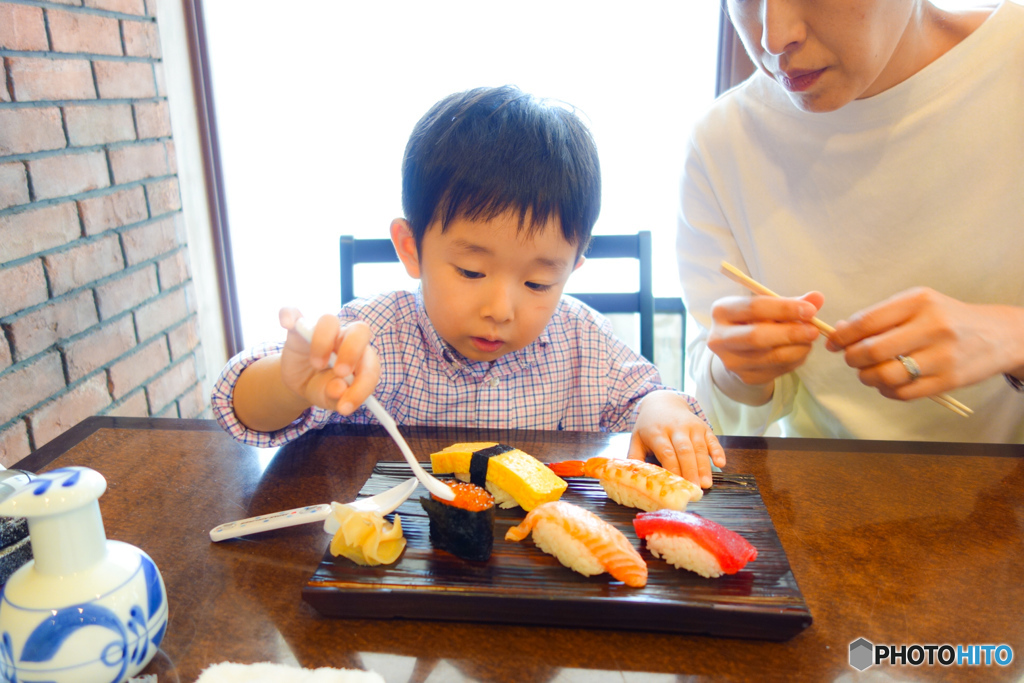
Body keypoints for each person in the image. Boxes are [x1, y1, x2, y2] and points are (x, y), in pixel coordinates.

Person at [213, 86, 725, 486]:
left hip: (538, 574)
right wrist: (289, 381)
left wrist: (662, 407)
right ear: (411, 248)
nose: (501, 308)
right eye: (472, 272)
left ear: (572, 270)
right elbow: (239, 409)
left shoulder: (583, 343)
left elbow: (647, 398)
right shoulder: (375, 335)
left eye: (538, 281)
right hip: (397, 571)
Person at [678, 0, 1024, 442]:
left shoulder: (1012, 61)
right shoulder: (721, 141)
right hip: (815, 498)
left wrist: (1011, 337)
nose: (772, 37)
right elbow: (714, 412)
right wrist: (739, 369)